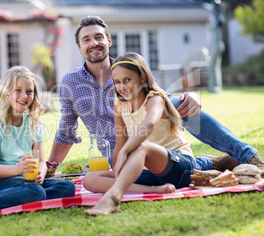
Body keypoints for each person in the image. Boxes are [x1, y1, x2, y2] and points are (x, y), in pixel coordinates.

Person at [48, 15, 264, 174]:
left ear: (109, 41)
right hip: (119, 154)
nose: (93, 43)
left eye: (98, 37)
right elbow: (66, 130)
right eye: (86, 39)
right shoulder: (70, 82)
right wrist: (50, 167)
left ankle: (249, 157)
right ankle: (209, 164)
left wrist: (190, 95)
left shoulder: (129, 68)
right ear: (79, 47)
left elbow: (158, 99)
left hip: (152, 142)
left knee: (179, 102)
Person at [83, 52, 196, 216]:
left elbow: (148, 124)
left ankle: (113, 197)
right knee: (90, 179)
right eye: (117, 82)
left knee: (140, 146)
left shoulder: (154, 98)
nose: (122, 86)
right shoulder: (120, 106)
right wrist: (118, 169)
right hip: (150, 173)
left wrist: (125, 152)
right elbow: (120, 141)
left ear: (142, 78)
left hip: (181, 166)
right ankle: (154, 190)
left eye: (127, 80)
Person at [0, 66, 75, 215]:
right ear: (6, 93)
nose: (24, 96)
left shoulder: (34, 123)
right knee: (36, 191)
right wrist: (18, 169)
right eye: (17, 90)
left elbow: (41, 161)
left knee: (67, 187)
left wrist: (41, 172)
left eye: (29, 91)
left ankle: (5, 201)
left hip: (26, 179)